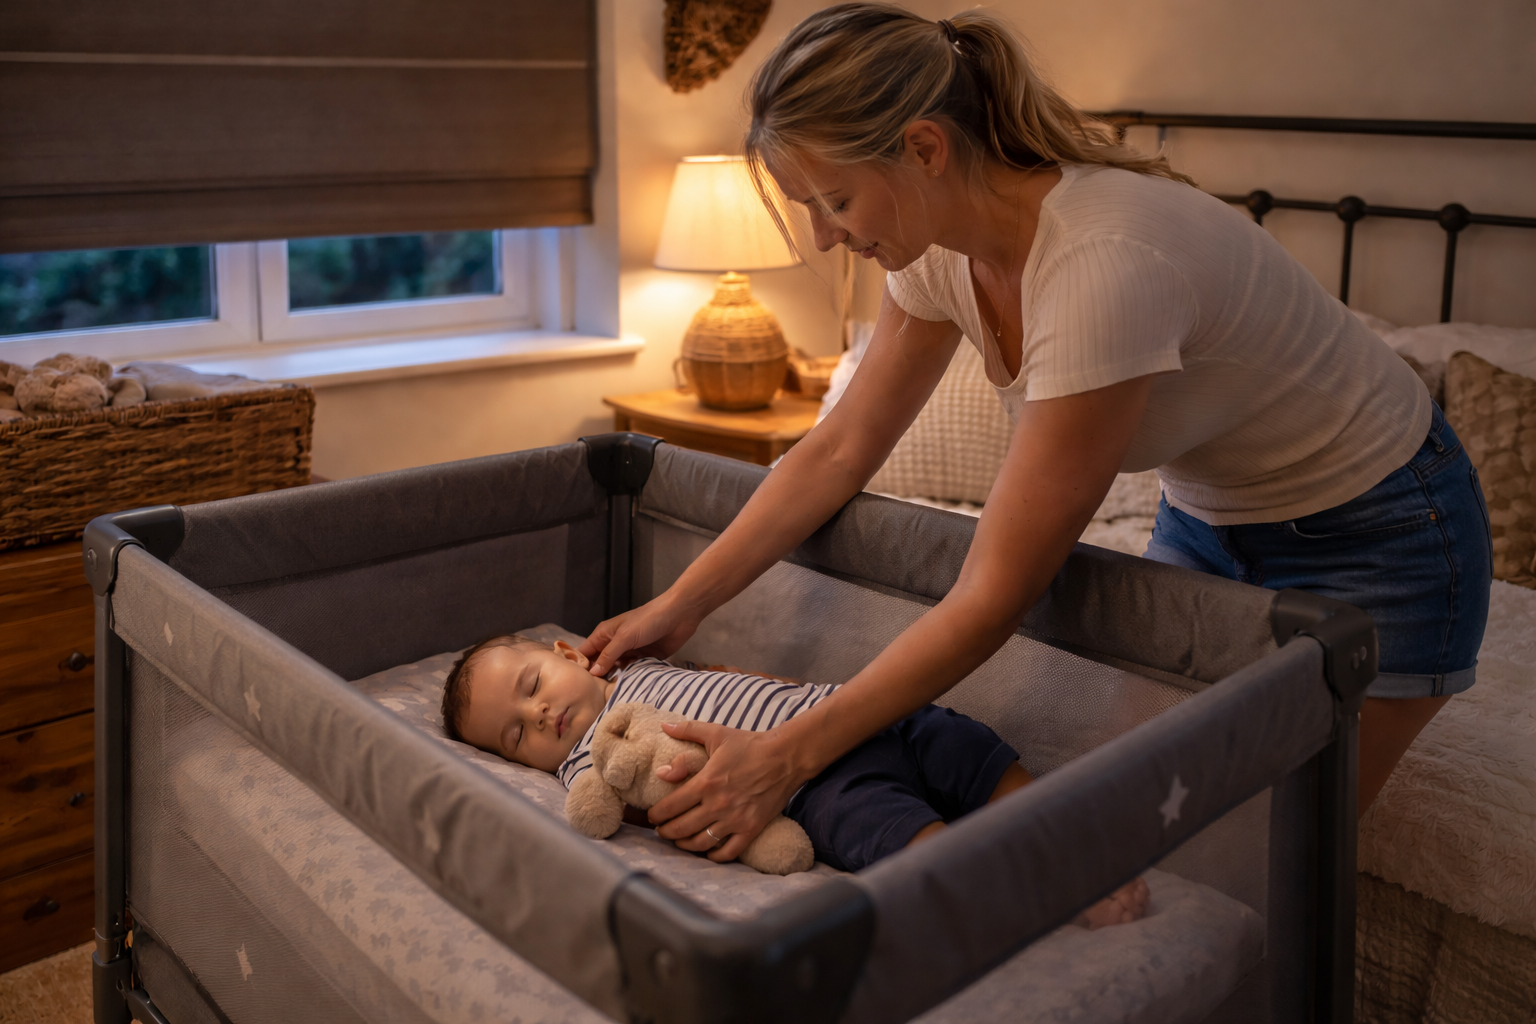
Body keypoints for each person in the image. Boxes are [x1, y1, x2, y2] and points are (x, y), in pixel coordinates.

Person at [579, 4, 1492, 867]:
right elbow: (836, 451)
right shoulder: (937, 252)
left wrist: (787, 755)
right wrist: (680, 605)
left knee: (1259, 860)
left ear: (924, 148)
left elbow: (994, 595)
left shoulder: (1101, 264)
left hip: (1387, 536)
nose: (822, 239)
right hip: (1207, 519)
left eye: (837, 202)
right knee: (1134, 820)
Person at [439, 632, 1151, 926]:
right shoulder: (586, 765)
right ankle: (1034, 894)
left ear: (568, 652)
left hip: (837, 716)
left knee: (960, 743)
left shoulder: (635, 664)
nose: (540, 715)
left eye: (533, 684)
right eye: (515, 734)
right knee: (902, 836)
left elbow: (734, 680)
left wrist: (805, 689)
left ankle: (1061, 834)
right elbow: (634, 813)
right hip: (813, 792)